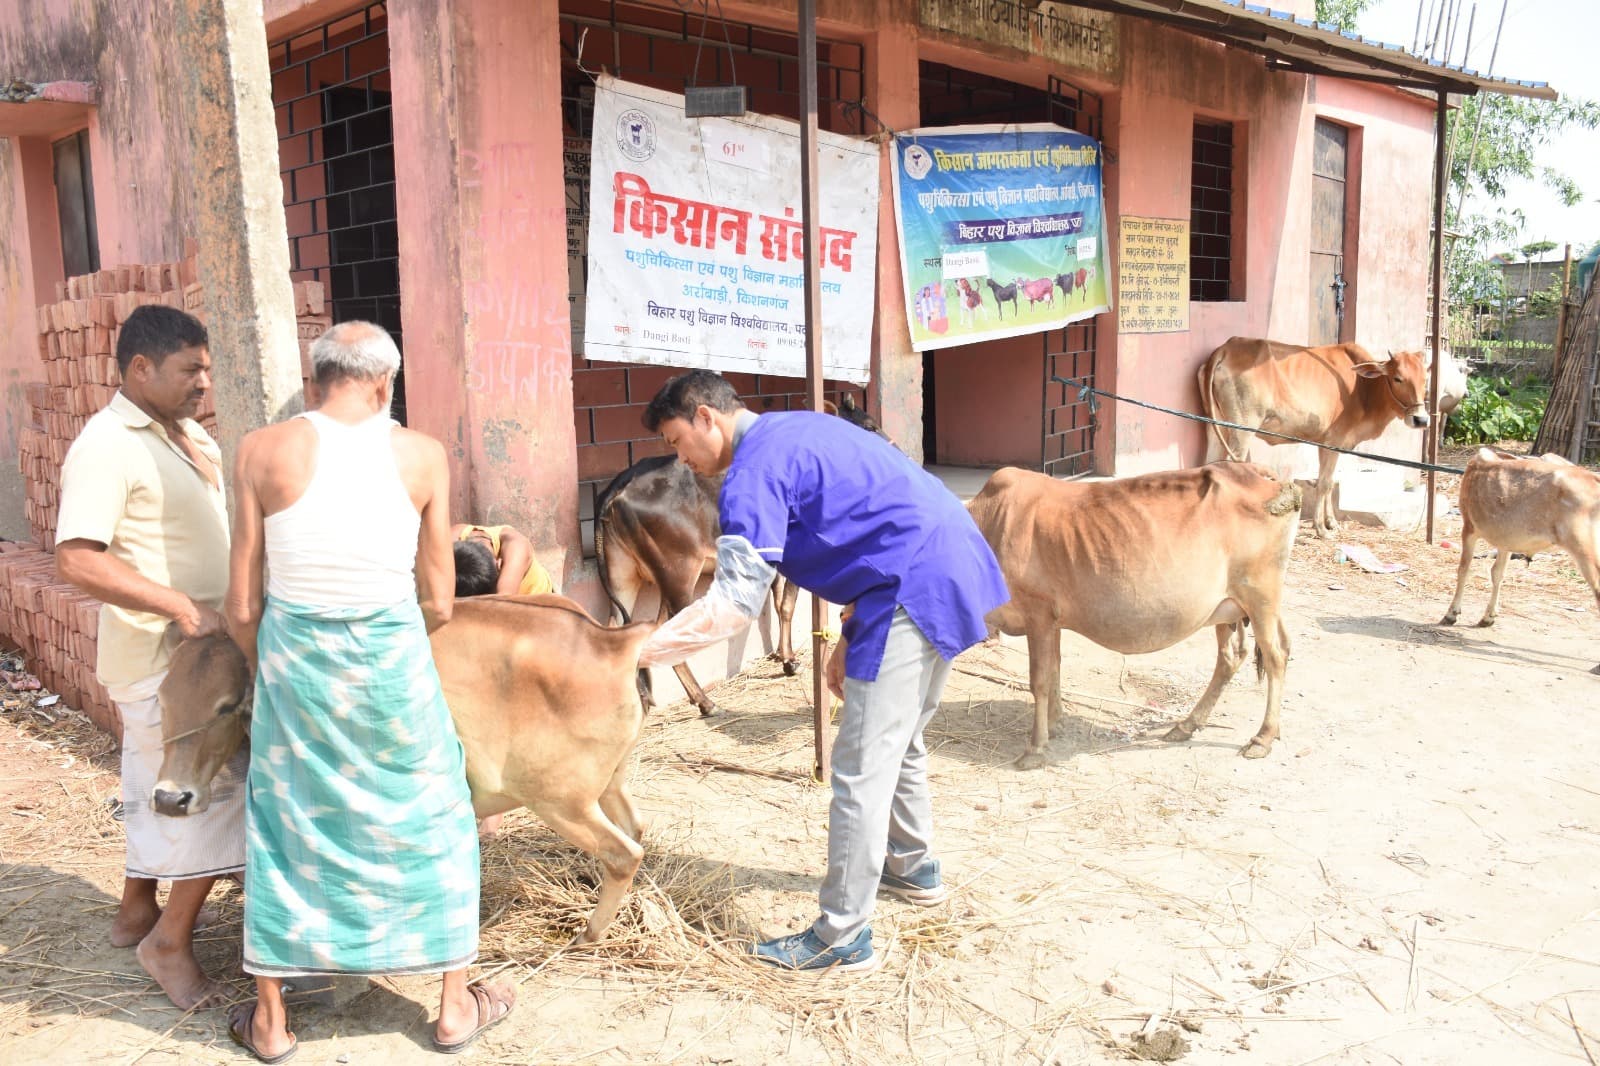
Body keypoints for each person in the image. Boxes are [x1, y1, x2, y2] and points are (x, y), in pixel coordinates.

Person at [636, 370, 1009, 974]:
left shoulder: (753, 469)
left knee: (860, 768)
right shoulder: (795, 429)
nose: (681, 459)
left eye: (677, 441)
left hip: (909, 583)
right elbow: (867, 520)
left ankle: (842, 935)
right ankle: (912, 868)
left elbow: (733, 605)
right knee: (900, 741)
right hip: (945, 559)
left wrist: (637, 652)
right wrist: (849, 635)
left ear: (706, 417)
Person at [225, 321, 515, 1061]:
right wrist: (390, 644)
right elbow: (440, 600)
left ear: (315, 378)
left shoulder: (260, 450)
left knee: (284, 819)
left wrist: (270, 667)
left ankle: (272, 1023)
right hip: (391, 660)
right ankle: (452, 1009)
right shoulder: (421, 454)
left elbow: (242, 604)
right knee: (435, 810)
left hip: (294, 662)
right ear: (386, 384)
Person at [55, 304, 242, 1010]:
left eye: (206, 368)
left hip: (202, 655)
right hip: (169, 658)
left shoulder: (186, 433)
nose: (205, 382)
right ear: (141, 367)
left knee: (150, 778)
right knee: (211, 789)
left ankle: (136, 911)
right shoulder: (108, 445)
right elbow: (77, 559)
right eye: (191, 369)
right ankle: (168, 943)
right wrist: (180, 606)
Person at [451, 521, 554, 597]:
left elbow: (502, 602)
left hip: (541, 604)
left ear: (499, 564)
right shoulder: (452, 537)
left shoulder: (516, 549)